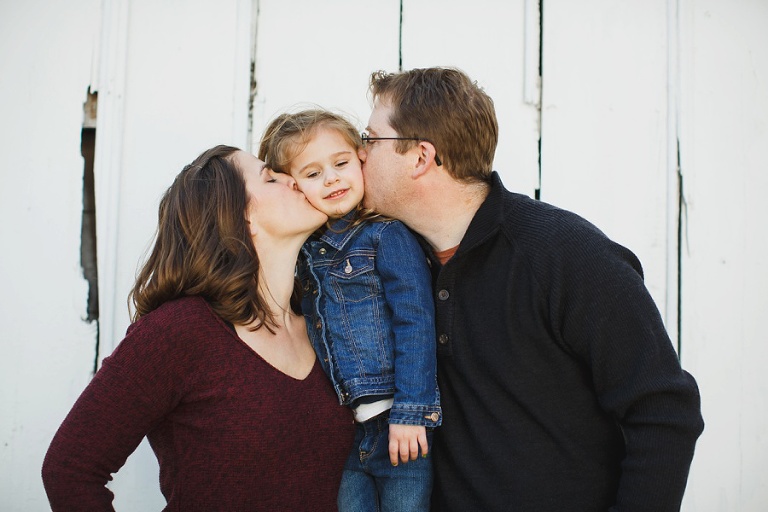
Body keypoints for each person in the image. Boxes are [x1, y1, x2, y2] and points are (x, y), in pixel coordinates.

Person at [360, 67, 705, 512]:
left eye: (370, 139)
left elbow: (663, 411)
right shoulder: (386, 264)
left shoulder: (566, 255)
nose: (359, 152)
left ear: (421, 157)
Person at [41, 145, 354, 511]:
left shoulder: (327, 325)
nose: (293, 178)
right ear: (239, 217)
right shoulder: (180, 332)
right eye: (270, 177)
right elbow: (69, 469)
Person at [258, 109, 441, 512]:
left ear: (361, 159)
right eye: (312, 173)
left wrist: (412, 411)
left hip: (398, 424)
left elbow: (416, 322)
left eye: (340, 163)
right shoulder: (303, 252)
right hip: (340, 433)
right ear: (292, 185)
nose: (332, 179)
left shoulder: (384, 236)